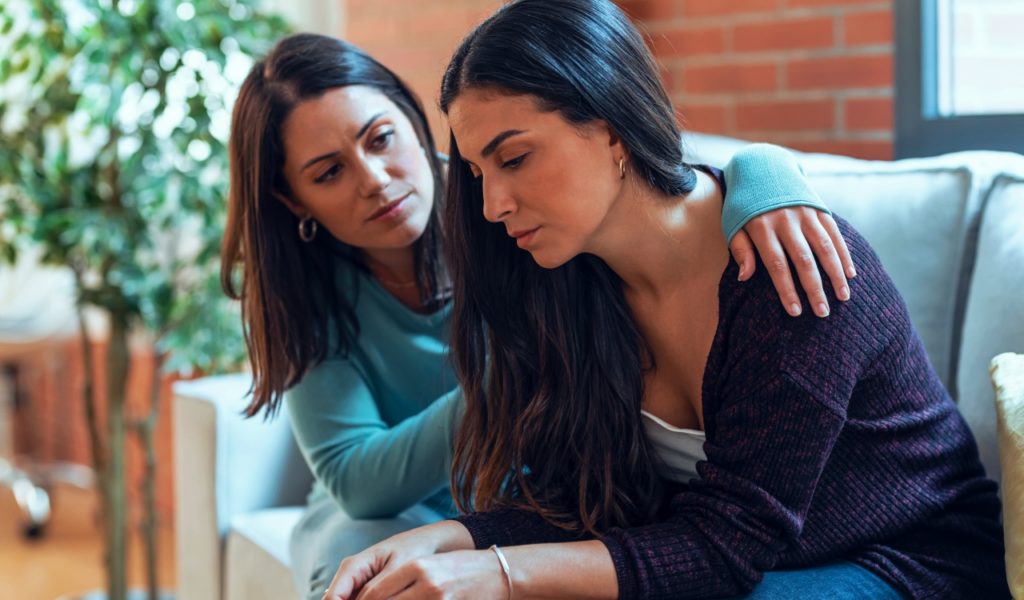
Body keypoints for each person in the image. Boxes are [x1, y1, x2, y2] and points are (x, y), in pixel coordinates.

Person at [321, 2, 1009, 599]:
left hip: (911, 562)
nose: (494, 204)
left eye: (516, 158)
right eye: (476, 173)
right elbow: (582, 510)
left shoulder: (786, 266)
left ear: (612, 127)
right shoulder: (571, 285)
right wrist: (448, 540)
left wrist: (500, 574)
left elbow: (729, 544)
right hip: (765, 564)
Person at [220, 32, 859, 600]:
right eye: (329, 172)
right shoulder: (313, 290)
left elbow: (652, 171)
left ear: (412, 120)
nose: (376, 180)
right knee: (353, 557)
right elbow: (356, 482)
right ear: (292, 198)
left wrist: (767, 173)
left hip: (530, 486)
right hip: (431, 504)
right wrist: (519, 375)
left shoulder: (515, 208)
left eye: (381, 138)